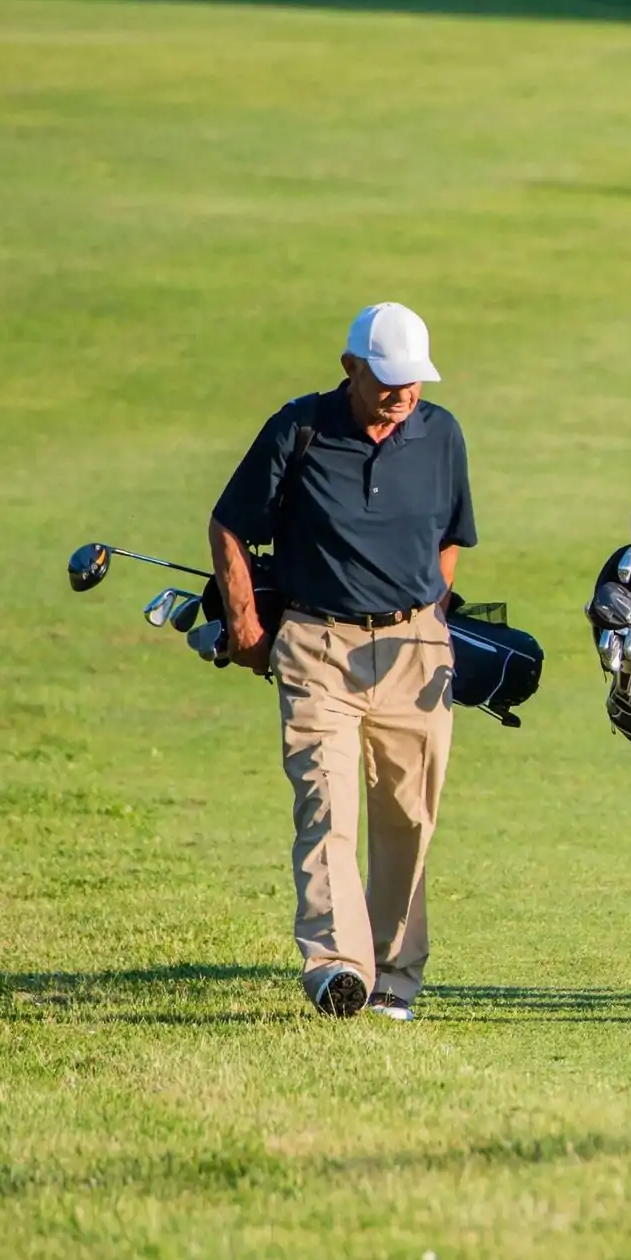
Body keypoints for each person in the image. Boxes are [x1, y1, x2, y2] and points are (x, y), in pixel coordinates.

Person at [209, 302, 476, 1022]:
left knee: (408, 819)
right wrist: (245, 626)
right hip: (317, 647)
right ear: (350, 368)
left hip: (417, 652)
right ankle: (336, 967)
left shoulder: (441, 433)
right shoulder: (299, 428)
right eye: (387, 379)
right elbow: (230, 524)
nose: (402, 393)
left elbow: (451, 538)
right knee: (326, 805)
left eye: (413, 380)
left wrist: (431, 619)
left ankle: (395, 976)